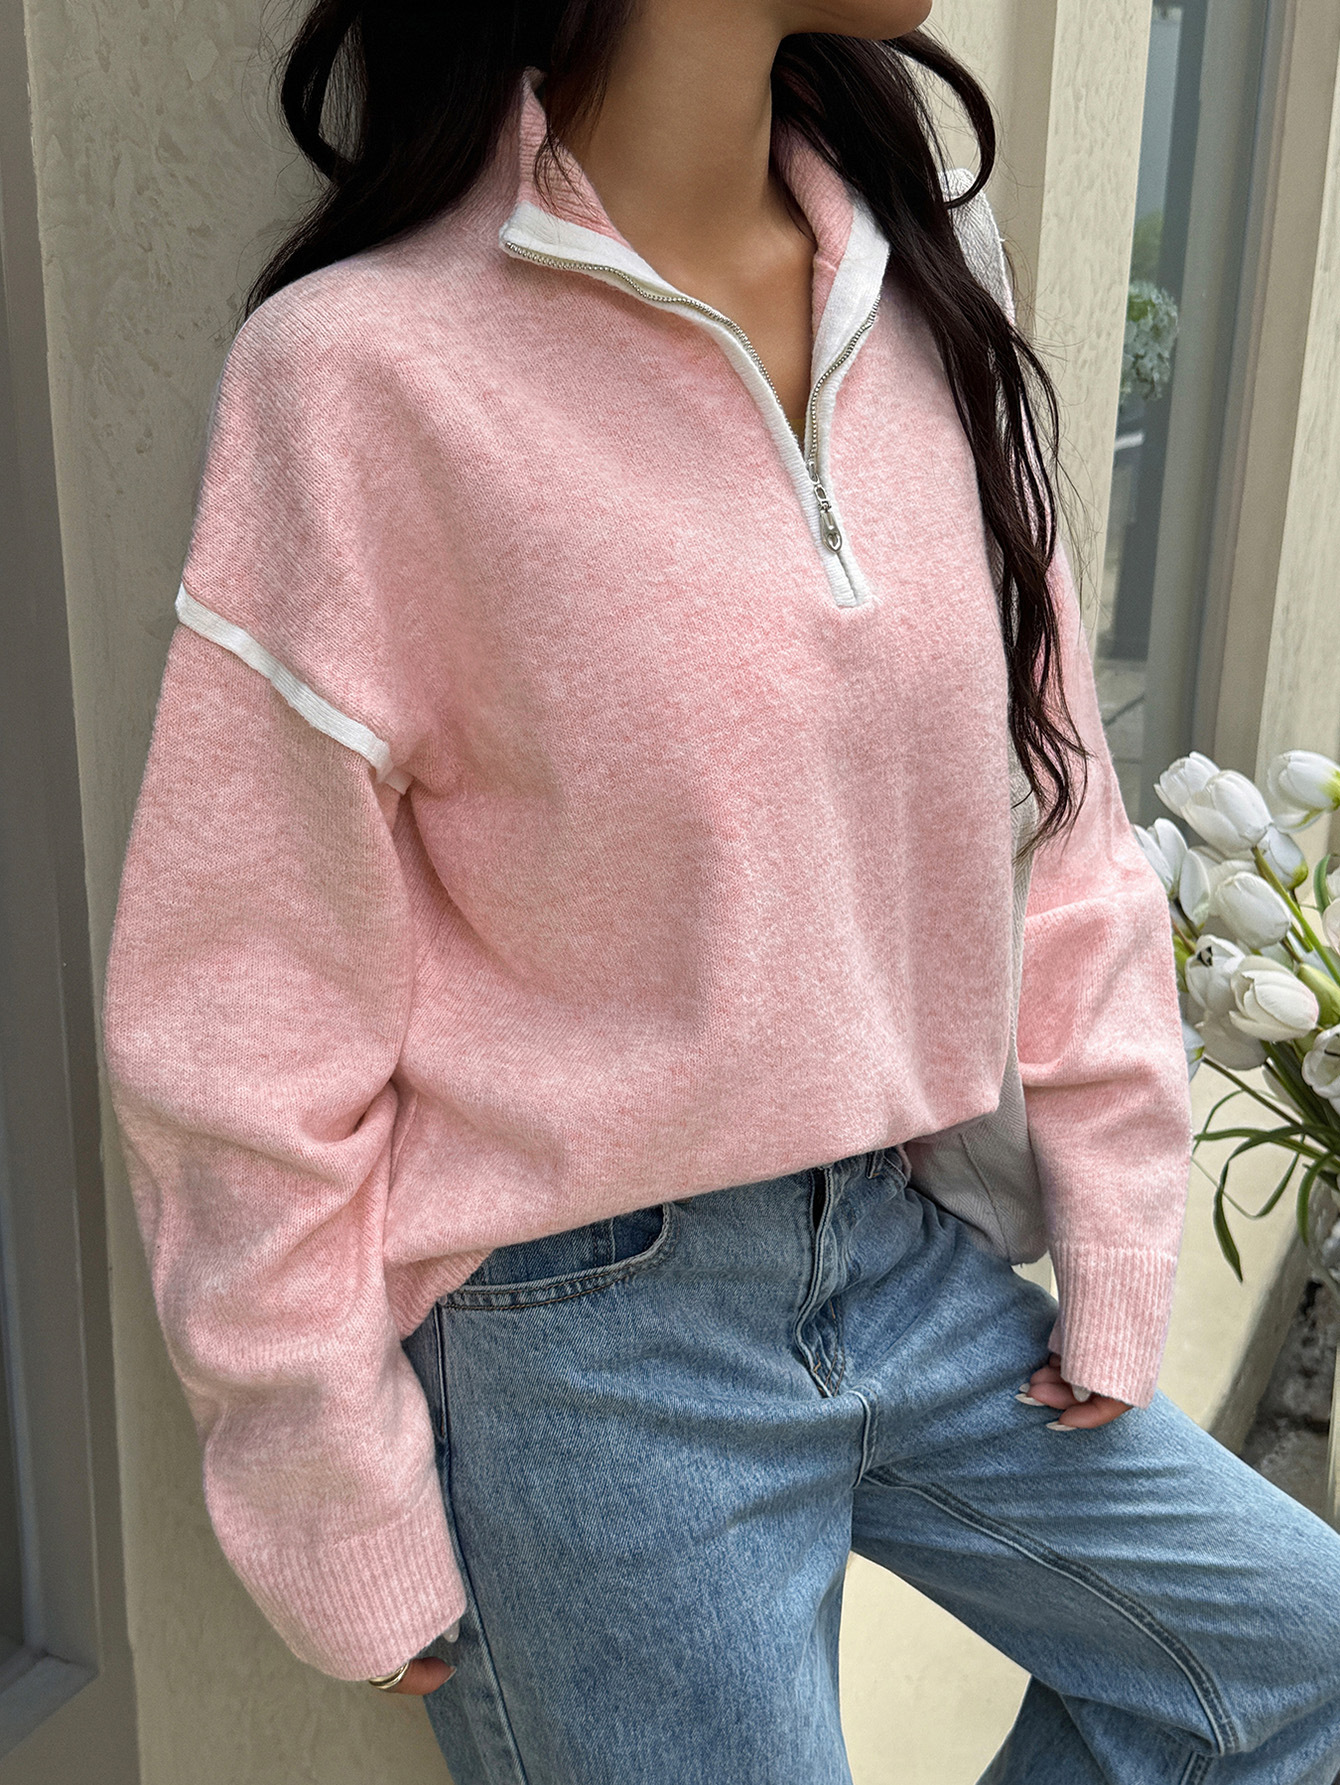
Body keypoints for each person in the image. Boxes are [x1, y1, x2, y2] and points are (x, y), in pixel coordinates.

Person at [102, 2, 1340, 1780]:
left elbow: (1050, 800)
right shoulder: (364, 376)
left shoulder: (926, 283)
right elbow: (243, 1003)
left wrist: (1119, 1210)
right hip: (583, 1357)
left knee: (1295, 1667)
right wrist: (325, 1482)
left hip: (898, 1254)